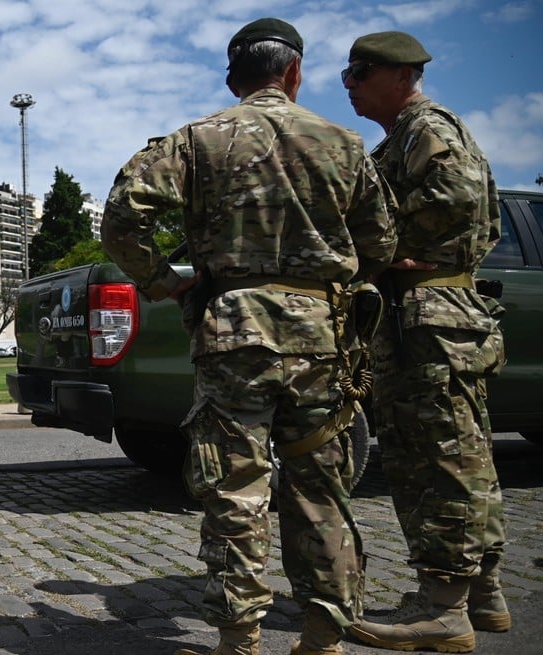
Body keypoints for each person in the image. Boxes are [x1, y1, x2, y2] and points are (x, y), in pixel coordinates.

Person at [102, 18, 397, 655]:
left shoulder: (197, 139)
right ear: (294, 73)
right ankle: (324, 635)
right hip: (323, 335)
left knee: (235, 486)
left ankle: (240, 640)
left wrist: (162, 281)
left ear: (235, 79)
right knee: (321, 483)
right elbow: (380, 242)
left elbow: (124, 216)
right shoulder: (344, 143)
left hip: (234, 331)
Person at [341, 31, 508, 653]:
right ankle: (482, 596)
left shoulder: (424, 128)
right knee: (465, 458)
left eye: (356, 73)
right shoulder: (406, 135)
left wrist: (389, 248)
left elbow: (458, 198)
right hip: (433, 316)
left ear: (395, 73)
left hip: (428, 315)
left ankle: (443, 611)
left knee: (433, 462)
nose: (350, 87)